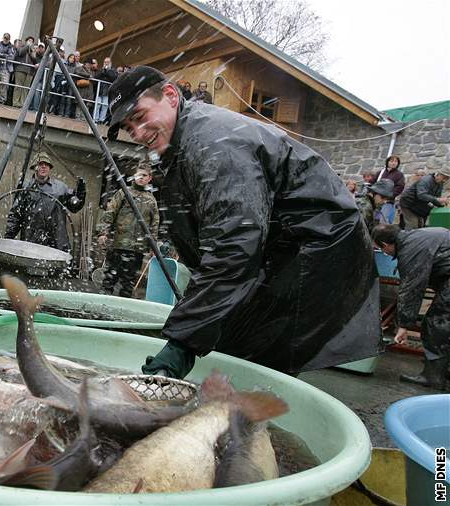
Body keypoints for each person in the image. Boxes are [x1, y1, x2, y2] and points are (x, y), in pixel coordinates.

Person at [107, 66, 380, 378]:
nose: (139, 133)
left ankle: (257, 411)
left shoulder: (214, 144)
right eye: (130, 128)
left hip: (314, 251)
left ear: (170, 96)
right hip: (276, 250)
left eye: (140, 117)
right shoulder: (179, 143)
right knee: (227, 339)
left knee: (253, 351)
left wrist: (181, 343)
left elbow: (234, 244)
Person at [372, 224, 450, 389]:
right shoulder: (416, 236)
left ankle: (433, 377)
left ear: (384, 245)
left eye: (380, 248)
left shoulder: (410, 250)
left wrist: (404, 325)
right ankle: (444, 370)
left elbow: (412, 290)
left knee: (436, 324)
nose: (384, 253)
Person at [97, 164, 159, 297]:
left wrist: (153, 245)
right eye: (139, 174)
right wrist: (103, 232)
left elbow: (154, 224)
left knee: (128, 283)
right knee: (110, 277)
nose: (141, 178)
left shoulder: (151, 200)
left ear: (149, 178)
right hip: (119, 244)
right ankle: (102, 303)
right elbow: (110, 212)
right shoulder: (124, 192)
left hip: (137, 248)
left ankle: (121, 310)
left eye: (144, 175)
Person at [4, 151, 86, 252]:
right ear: (35, 167)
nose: (44, 167)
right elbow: (16, 216)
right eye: (40, 164)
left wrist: (81, 191)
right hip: (31, 243)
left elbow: (75, 206)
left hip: (57, 243)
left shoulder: (61, 188)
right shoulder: (26, 188)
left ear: (50, 168)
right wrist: (7, 239)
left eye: (46, 165)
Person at [12, 36, 37, 108]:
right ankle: (15, 102)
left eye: (32, 41)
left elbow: (34, 61)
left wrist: (33, 54)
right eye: (29, 40)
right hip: (20, 70)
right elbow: (20, 53)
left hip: (29, 72)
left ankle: (22, 104)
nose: (30, 42)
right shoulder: (21, 47)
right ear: (26, 41)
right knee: (18, 86)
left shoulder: (32, 51)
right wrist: (27, 46)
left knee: (25, 88)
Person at [93, 56, 117, 123]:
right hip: (100, 91)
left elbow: (114, 78)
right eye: (105, 62)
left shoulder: (113, 71)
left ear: (110, 63)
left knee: (104, 106)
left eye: (107, 62)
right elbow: (96, 77)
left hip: (107, 92)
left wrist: (107, 71)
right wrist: (103, 71)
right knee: (97, 105)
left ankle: (101, 120)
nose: (106, 63)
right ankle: (95, 119)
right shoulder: (101, 70)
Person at [0, 33, 16, 104]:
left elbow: (11, 57)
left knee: (4, 84)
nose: (6, 39)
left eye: (7, 38)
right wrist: (5, 55)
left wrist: (1, 55)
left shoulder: (11, 47)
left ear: (9, 39)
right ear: (3, 37)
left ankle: (2, 100)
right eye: (5, 38)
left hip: (6, 69)